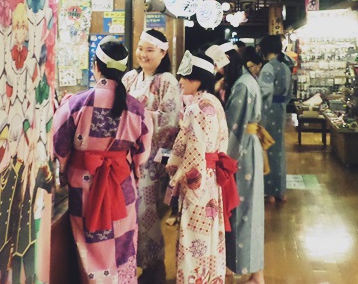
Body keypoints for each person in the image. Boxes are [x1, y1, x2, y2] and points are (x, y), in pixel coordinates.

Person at [52, 38, 153, 283]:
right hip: (122, 186)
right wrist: (134, 168)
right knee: (123, 249)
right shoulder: (137, 109)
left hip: (83, 189)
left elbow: (58, 147)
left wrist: (63, 173)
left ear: (96, 66)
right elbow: (142, 155)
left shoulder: (76, 104)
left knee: (90, 251)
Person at [167, 52, 236, 284]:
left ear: (197, 80)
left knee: (193, 238)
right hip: (212, 178)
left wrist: (175, 173)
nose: (180, 81)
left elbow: (192, 154)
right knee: (211, 235)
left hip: (196, 181)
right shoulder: (214, 103)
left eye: (185, 77)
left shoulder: (195, 108)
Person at [121, 30, 181, 283]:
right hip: (127, 160)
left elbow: (171, 121)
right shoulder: (129, 78)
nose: (143, 54)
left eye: (150, 50)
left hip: (154, 162)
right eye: (140, 48)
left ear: (163, 53)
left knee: (148, 216)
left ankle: (154, 269)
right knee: (129, 216)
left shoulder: (167, 81)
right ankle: (130, 267)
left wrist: (137, 115)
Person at [224, 46, 266, 283]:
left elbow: (234, 127)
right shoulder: (246, 80)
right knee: (248, 210)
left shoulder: (242, 85)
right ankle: (249, 269)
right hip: (250, 146)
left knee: (243, 211)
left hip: (243, 151)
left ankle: (252, 271)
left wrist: (226, 160)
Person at [259, 35, 292, 203]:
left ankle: (269, 191)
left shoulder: (268, 68)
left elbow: (264, 91)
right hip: (280, 109)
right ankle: (281, 190)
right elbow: (289, 93)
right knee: (278, 150)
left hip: (268, 110)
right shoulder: (285, 67)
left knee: (267, 148)